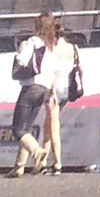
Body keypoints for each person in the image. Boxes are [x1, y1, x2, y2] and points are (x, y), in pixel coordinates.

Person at [10, 13, 80, 177]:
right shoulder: (51, 46)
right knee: (28, 127)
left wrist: (20, 50)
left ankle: (37, 152)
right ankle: (19, 167)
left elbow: (21, 59)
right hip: (43, 89)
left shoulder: (34, 42)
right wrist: (50, 92)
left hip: (30, 87)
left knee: (18, 130)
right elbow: (52, 70)